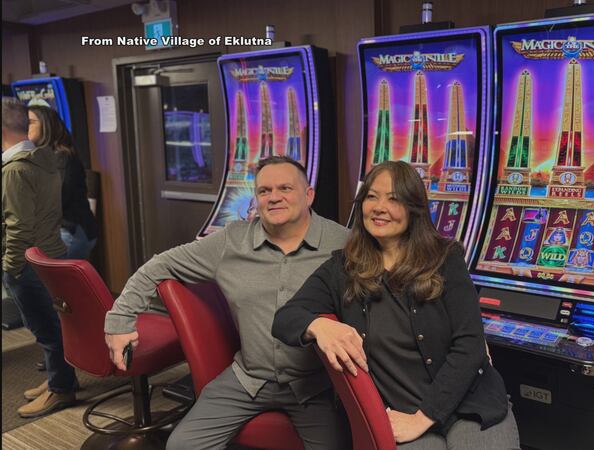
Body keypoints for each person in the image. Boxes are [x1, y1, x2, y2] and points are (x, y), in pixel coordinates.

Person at [104, 155, 350, 450]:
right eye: (264, 191)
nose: (274, 197)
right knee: (182, 446)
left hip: (316, 385)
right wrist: (119, 320)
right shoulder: (231, 241)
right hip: (248, 378)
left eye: (285, 188)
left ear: (308, 195)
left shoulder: (343, 243)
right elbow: (158, 266)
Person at [273, 161, 520, 449]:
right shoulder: (342, 269)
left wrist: (424, 417)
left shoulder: (446, 258)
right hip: (401, 413)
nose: (380, 207)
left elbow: (470, 345)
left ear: (414, 208)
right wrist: (319, 326)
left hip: (470, 404)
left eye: (394, 199)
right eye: (372, 196)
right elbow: (285, 319)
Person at [2, 97, 79, 417]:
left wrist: (10, 268)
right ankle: (59, 379)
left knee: (45, 328)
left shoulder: (15, 169)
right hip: (49, 254)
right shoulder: (43, 157)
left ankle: (61, 389)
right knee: (53, 324)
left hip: (28, 261)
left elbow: (18, 227)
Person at [28, 105, 98, 260]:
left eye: (30, 122)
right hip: (55, 230)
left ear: (46, 125)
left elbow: (54, 201)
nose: (25, 127)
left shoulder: (62, 158)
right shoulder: (41, 157)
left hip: (71, 231)